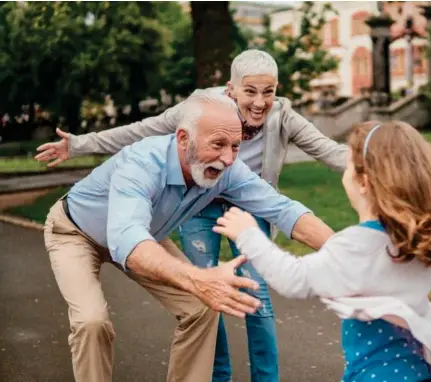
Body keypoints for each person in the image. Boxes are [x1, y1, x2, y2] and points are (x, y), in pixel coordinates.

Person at [35, 49, 348, 382]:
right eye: (217, 145)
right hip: (76, 232)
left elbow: (285, 210)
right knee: (92, 321)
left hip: (145, 236)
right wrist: (199, 279)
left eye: (236, 146)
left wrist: (346, 252)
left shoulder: (229, 167)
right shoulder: (142, 163)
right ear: (183, 139)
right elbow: (127, 239)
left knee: (201, 309)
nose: (228, 159)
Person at [212, 120, 431, 382]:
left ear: (363, 182)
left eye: (349, 164)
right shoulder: (421, 241)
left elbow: (293, 279)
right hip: (416, 370)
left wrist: (248, 234)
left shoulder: (356, 246)